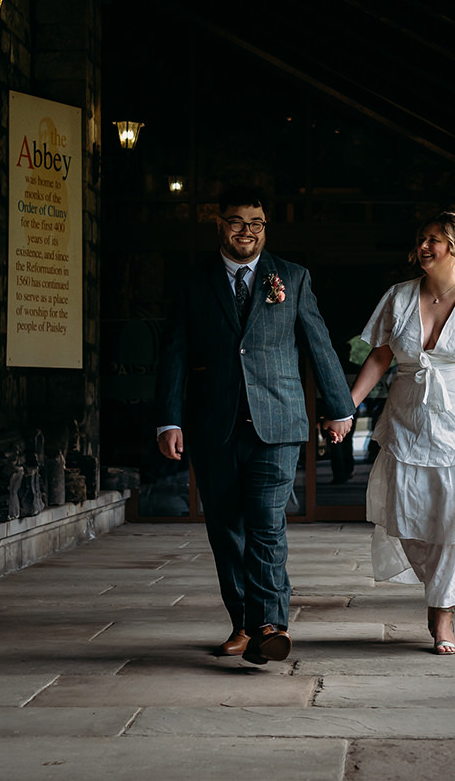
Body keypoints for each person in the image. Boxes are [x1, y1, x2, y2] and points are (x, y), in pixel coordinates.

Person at [156, 185, 356, 664]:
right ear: (219, 224)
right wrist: (168, 420)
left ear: (265, 228)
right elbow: (176, 354)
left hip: (278, 422)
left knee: (266, 523)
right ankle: (243, 625)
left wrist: (339, 408)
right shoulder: (194, 282)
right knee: (227, 529)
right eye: (236, 222)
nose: (246, 231)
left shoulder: (292, 277)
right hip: (213, 425)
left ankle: (269, 624)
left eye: (256, 223)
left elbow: (318, 344)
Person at [333, 212, 455, 653]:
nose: (424, 247)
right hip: (408, 421)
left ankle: (443, 613)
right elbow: (380, 358)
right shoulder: (399, 297)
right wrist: (345, 407)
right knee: (408, 520)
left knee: (452, 521)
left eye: (434, 240)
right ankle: (437, 590)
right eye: (422, 238)